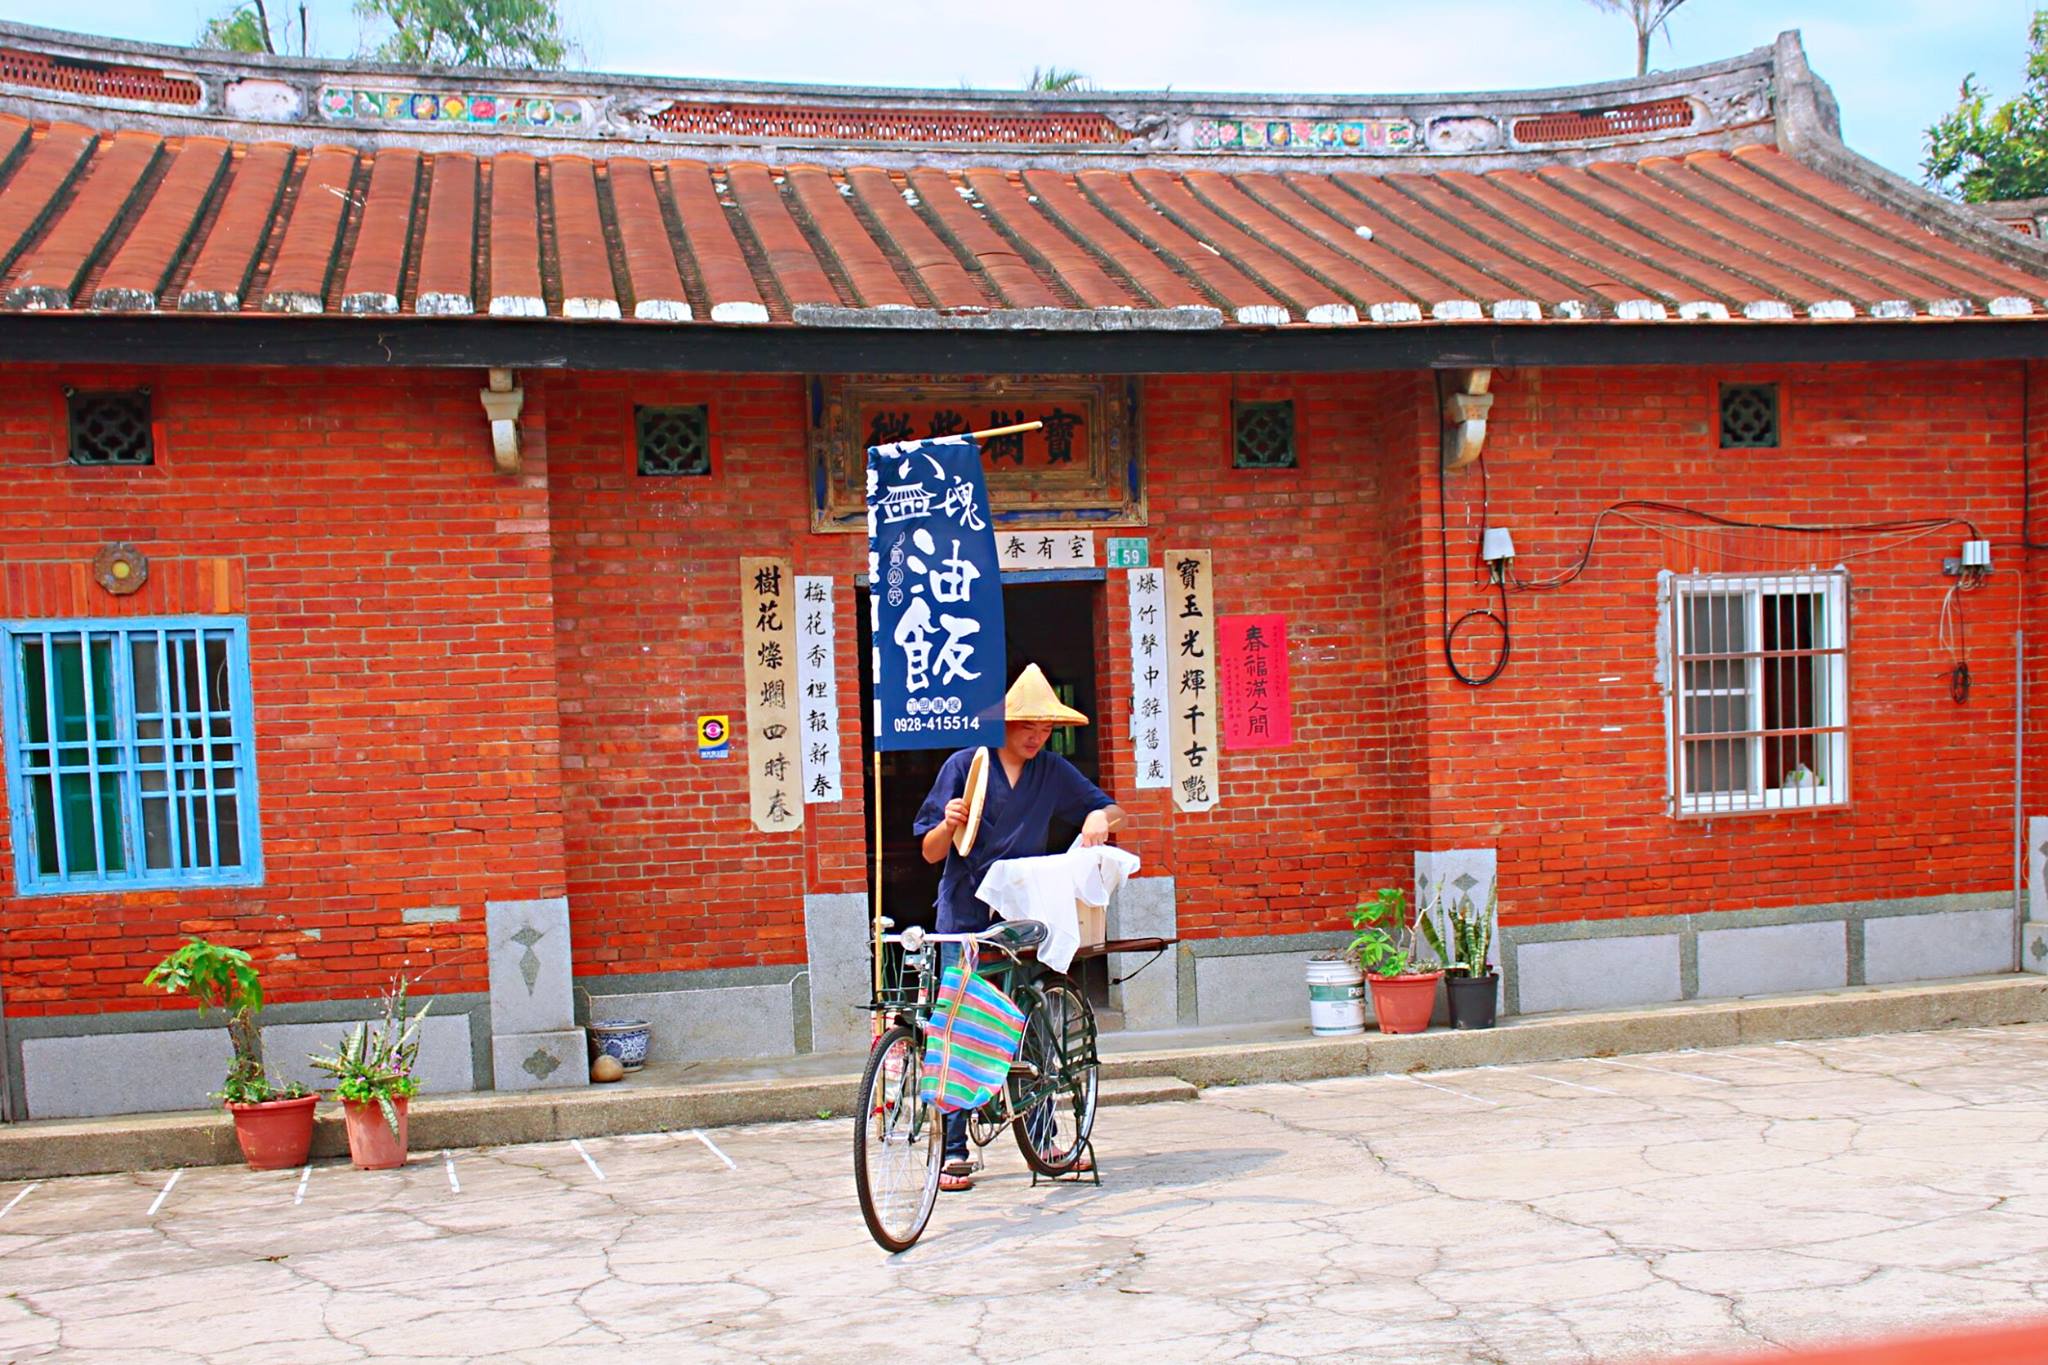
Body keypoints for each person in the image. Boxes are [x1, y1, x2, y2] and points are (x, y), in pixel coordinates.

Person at [912, 662, 1126, 1193]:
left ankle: (1042, 1135)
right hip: (964, 912)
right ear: (1002, 723)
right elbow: (929, 850)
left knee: (1029, 1024)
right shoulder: (966, 765)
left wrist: (1100, 818)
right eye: (1027, 725)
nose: (1037, 736)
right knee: (959, 1022)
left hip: (1024, 917)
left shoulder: (1052, 771)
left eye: (1045, 727)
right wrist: (949, 823)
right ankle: (956, 1148)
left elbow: (1110, 810)